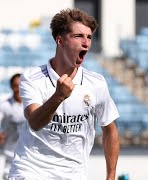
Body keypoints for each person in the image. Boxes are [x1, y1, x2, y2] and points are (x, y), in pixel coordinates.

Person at [8, 8, 120, 180]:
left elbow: (110, 130)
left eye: (89, 37)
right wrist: (58, 96)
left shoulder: (96, 83)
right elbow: (35, 123)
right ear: (60, 41)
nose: (86, 43)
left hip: (74, 173)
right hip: (31, 170)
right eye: (78, 36)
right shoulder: (32, 78)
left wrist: (110, 176)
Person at [0, 73, 26, 180]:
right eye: (15, 86)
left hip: (31, 156)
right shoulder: (5, 106)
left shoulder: (33, 104)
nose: (18, 89)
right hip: (11, 157)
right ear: (11, 87)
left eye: (20, 85)